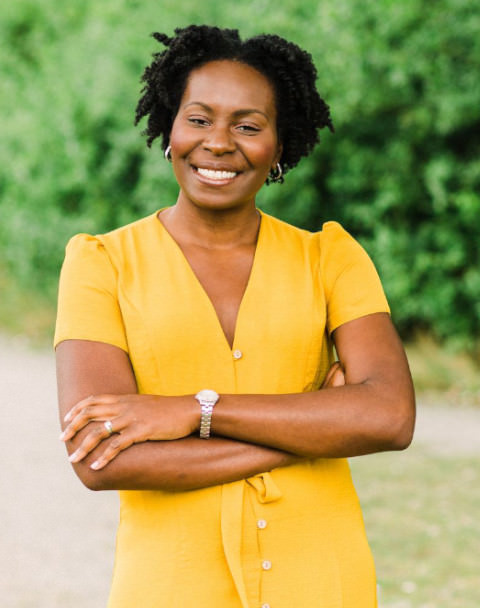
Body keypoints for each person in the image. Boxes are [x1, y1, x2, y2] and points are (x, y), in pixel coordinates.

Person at [55, 25, 415, 608]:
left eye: (248, 126)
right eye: (198, 119)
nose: (219, 143)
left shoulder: (331, 257)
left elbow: (391, 417)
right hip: (172, 586)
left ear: (279, 144)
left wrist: (190, 412)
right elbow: (98, 458)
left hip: (321, 580)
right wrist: (315, 431)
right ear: (170, 130)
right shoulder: (101, 264)